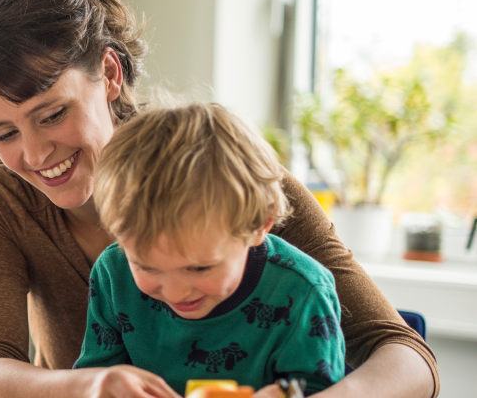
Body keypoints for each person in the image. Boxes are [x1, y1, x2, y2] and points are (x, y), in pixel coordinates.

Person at [0, 0, 437, 398]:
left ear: (110, 73)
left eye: (52, 114)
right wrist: (88, 386)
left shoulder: (231, 178)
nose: (34, 155)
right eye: (3, 134)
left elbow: (408, 358)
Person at [74, 103, 344, 396]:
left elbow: (320, 387)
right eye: (146, 266)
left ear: (258, 225)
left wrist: (285, 394)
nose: (176, 293)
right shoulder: (113, 273)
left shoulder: (303, 292)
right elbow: (93, 378)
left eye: (199, 268)